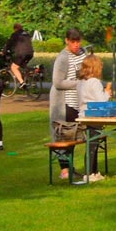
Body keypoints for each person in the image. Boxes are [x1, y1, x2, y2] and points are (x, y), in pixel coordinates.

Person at [49, 28, 87, 180]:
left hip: (78, 102)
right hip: (64, 102)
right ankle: (64, 169)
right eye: (73, 42)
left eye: (78, 41)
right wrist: (78, 84)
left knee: (75, 136)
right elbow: (58, 82)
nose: (76, 45)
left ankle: (70, 167)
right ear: (67, 41)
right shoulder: (63, 58)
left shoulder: (83, 53)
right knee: (64, 136)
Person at [76, 55, 112, 183]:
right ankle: (89, 173)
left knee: (93, 143)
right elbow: (102, 101)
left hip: (84, 114)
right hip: (94, 115)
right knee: (92, 145)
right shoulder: (95, 82)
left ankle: (94, 172)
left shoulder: (81, 82)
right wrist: (107, 93)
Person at [2, 23, 34, 87]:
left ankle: (22, 82)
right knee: (23, 65)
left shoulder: (15, 34)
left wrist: (4, 51)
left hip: (21, 53)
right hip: (30, 53)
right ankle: (31, 76)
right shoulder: (27, 34)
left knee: (13, 67)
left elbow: (9, 44)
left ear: (15, 29)